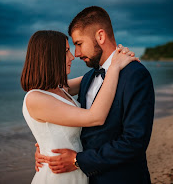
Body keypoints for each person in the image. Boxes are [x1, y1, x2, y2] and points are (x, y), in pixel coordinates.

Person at [35, 6, 155, 183]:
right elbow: (50, 101)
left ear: (100, 36)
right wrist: (44, 146)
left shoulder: (135, 75)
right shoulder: (88, 78)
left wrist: (78, 160)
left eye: (79, 44)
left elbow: (134, 142)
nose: (76, 54)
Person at [21, 30, 138, 184]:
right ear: (50, 56)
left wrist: (117, 58)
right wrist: (115, 66)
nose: (72, 56)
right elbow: (95, 117)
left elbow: (95, 80)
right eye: (66, 51)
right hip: (58, 177)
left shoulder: (60, 89)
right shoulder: (35, 98)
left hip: (76, 172)